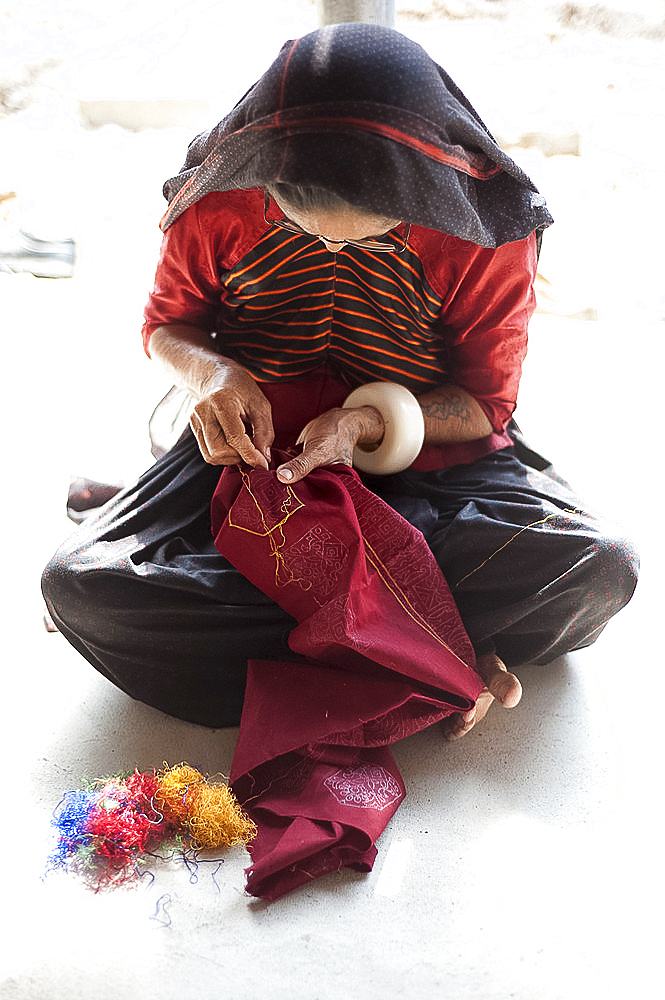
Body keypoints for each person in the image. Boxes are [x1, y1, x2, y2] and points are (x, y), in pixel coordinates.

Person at [42, 23, 638, 741]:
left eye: (362, 234)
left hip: (430, 467)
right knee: (84, 590)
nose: (328, 247)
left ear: (418, 192)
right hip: (257, 462)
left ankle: (359, 642)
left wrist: (364, 426)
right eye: (301, 225)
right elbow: (168, 327)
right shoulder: (215, 202)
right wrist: (213, 373)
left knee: (598, 570)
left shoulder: (487, 232)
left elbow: (484, 405)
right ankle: (425, 646)